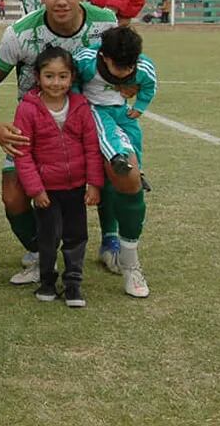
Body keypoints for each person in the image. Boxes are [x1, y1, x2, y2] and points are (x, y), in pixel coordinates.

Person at [0, 0, 118, 285]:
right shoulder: (21, 33)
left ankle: (112, 241)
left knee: (118, 170)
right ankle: (40, 251)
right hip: (37, 134)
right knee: (13, 193)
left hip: (88, 126)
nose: (62, 1)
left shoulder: (105, 24)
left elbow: (124, 65)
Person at [12, 47, 103, 307]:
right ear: (37, 77)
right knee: (48, 237)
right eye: (49, 76)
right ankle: (48, 281)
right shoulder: (27, 109)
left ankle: (73, 283)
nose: (56, 83)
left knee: (76, 236)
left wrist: (94, 184)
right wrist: (35, 190)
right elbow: (23, 153)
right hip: (46, 191)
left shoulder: (80, 106)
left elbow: (91, 147)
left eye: (62, 76)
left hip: (75, 187)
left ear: (72, 77)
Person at [74, 26, 157, 297]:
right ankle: (116, 156)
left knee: (133, 141)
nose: (123, 72)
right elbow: (73, 85)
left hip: (122, 110)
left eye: (128, 67)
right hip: (92, 110)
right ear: (104, 56)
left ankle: (130, 263)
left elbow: (148, 86)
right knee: (108, 134)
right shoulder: (86, 60)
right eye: (116, 66)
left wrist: (140, 107)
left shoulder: (143, 68)